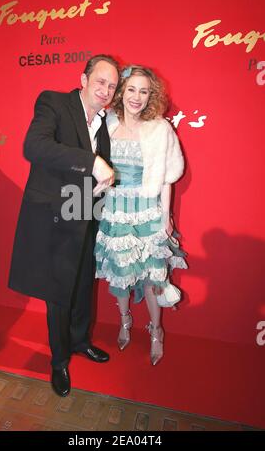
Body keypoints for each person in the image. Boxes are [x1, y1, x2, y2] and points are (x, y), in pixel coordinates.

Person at [8, 54, 120, 396]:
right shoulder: (53, 102)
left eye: (112, 86)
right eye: (100, 82)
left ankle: (79, 341)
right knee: (59, 292)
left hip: (84, 214)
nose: (105, 90)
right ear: (83, 79)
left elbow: (96, 173)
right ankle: (58, 361)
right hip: (53, 215)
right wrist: (92, 163)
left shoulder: (103, 123)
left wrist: (102, 186)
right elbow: (35, 146)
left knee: (83, 282)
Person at [94, 65, 188, 365]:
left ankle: (156, 330)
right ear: (121, 92)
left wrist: (165, 217)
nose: (137, 97)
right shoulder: (104, 122)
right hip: (114, 210)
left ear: (152, 95)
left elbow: (167, 178)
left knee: (151, 277)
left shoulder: (160, 128)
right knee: (121, 273)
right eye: (131, 89)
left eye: (144, 91)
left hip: (147, 209)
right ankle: (124, 320)